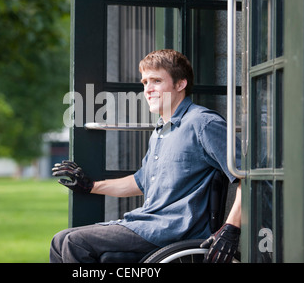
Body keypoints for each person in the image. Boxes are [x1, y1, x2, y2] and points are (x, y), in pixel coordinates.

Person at [50, 49, 241, 263]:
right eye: (144, 82)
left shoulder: (203, 123)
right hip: (147, 224)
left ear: (180, 84)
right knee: (60, 240)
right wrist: (90, 185)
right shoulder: (162, 130)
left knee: (74, 243)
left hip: (173, 231)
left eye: (156, 81)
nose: (148, 89)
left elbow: (247, 177)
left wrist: (231, 228)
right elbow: (140, 181)